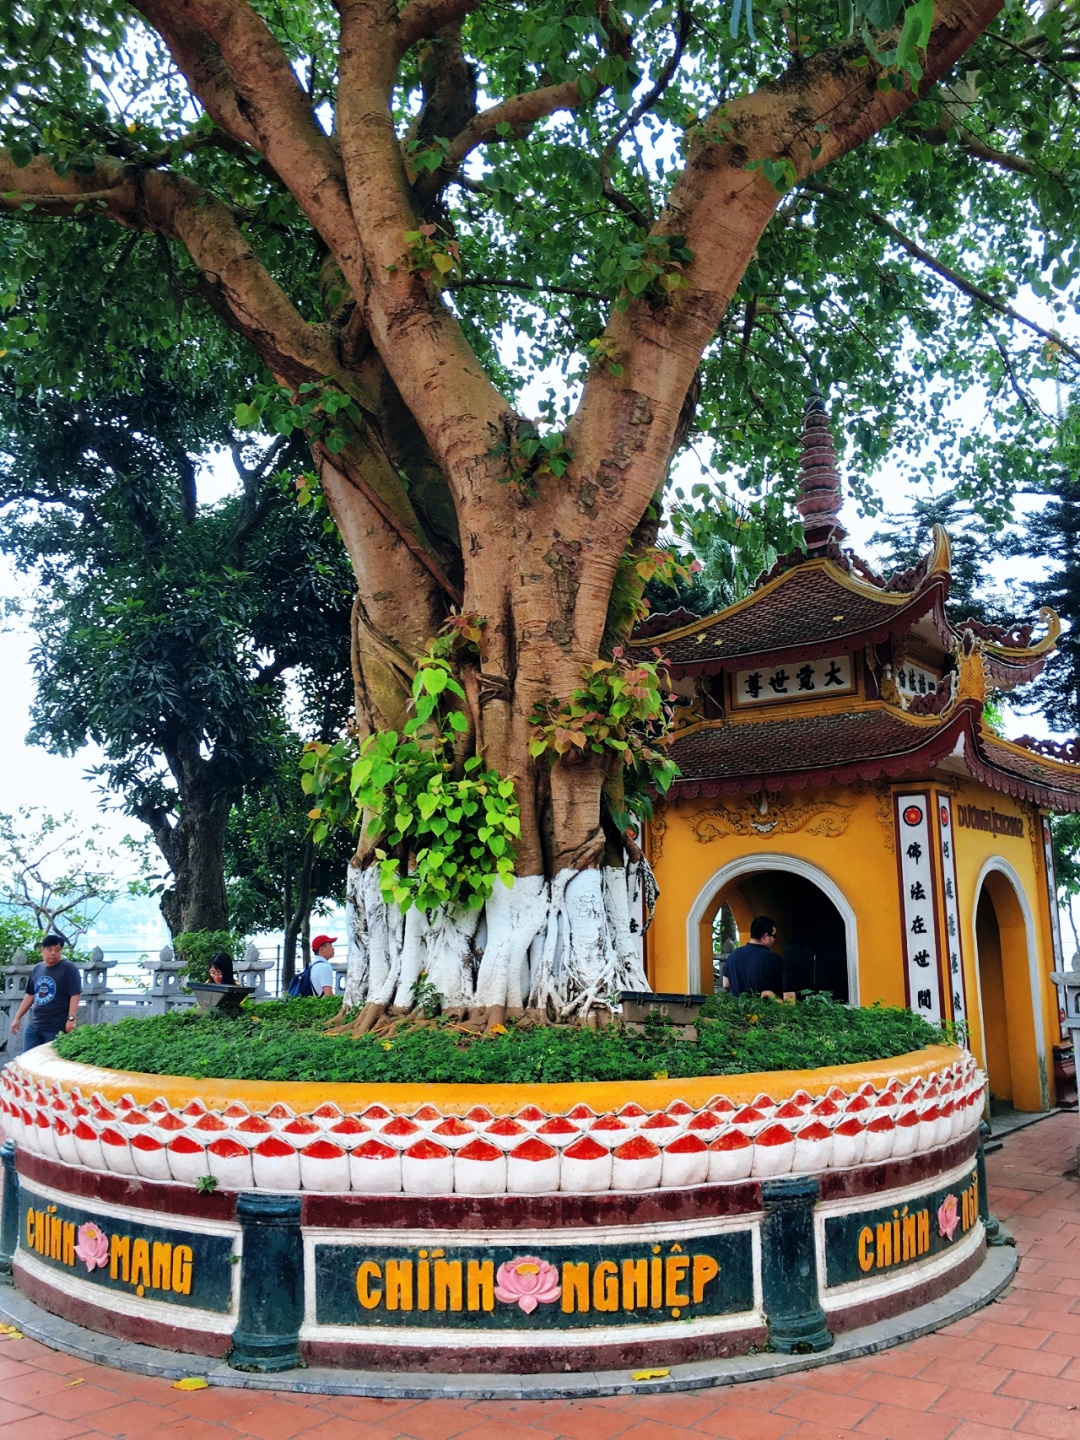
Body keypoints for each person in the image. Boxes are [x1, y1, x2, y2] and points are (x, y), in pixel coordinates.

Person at [10, 932, 83, 1051]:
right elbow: (30, 995)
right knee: (28, 1060)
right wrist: (17, 1018)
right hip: (35, 1025)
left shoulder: (69, 968)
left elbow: (75, 994)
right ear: (42, 951)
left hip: (56, 1027)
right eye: (49, 949)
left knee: (50, 1062)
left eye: (57, 950)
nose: (53, 953)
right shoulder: (37, 969)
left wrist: (71, 1019)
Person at [722, 916, 784, 999]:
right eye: (774, 936)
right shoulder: (774, 959)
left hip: (738, 1010)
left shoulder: (733, 955)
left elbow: (726, 984)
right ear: (765, 936)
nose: (775, 940)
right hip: (766, 1009)